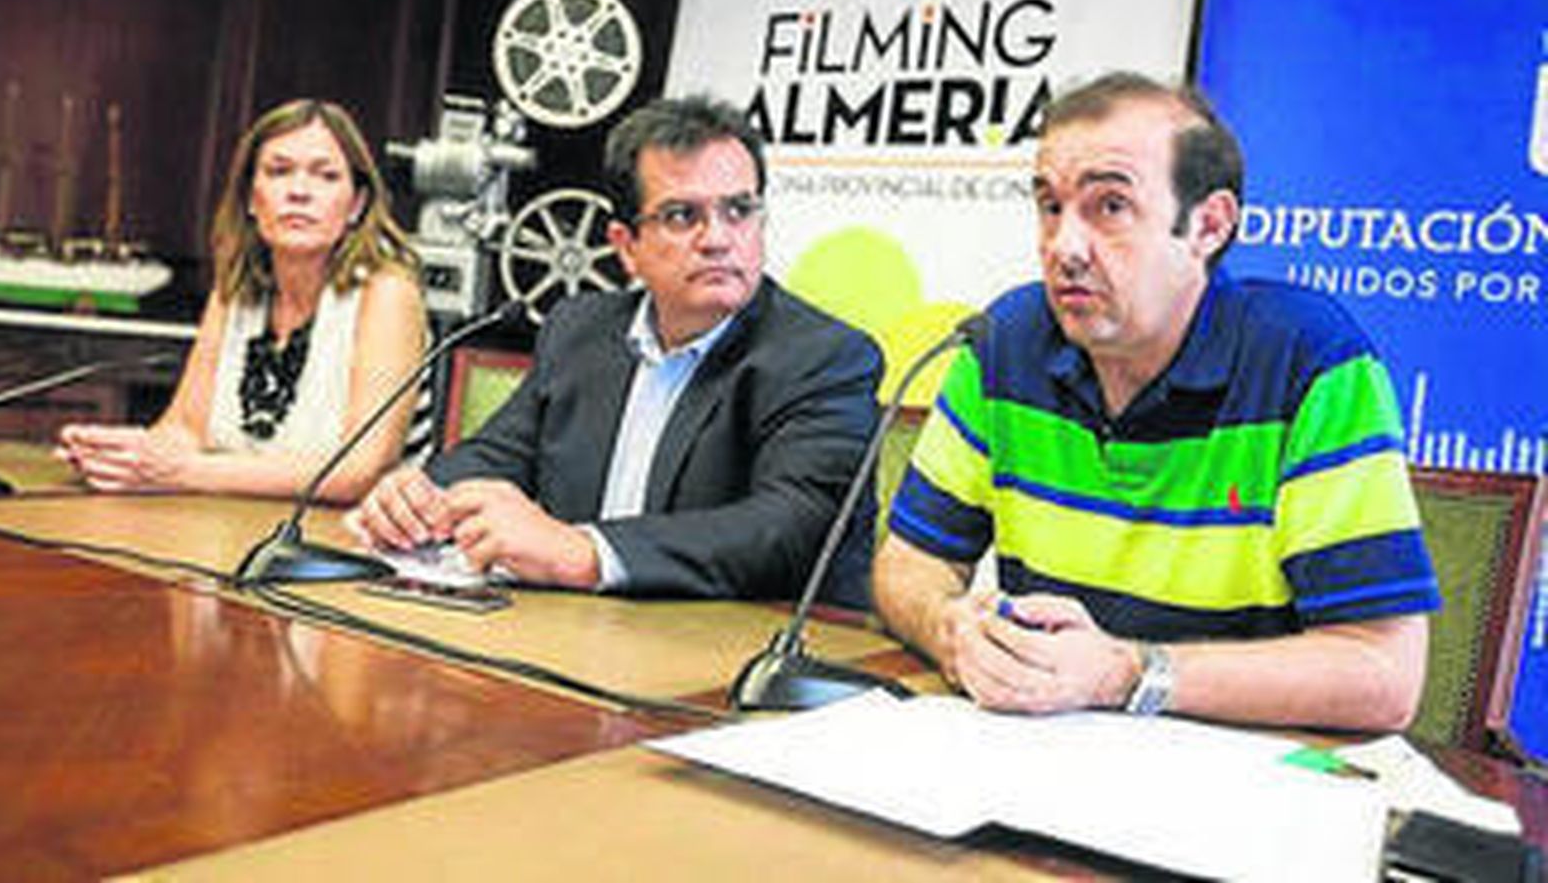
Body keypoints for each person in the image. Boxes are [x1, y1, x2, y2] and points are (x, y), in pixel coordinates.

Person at [873, 72, 1440, 730]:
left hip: (1237, 759)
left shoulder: (1307, 362)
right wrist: (950, 630)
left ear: (1208, 225)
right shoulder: (1003, 343)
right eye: (1051, 206)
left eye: (1110, 206)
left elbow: (1384, 673)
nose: (1064, 247)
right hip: (1037, 746)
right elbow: (909, 563)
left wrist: (1127, 673)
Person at [346, 95, 883, 605]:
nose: (718, 238)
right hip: (576, 633)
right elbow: (497, 456)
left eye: (739, 210)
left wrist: (587, 554)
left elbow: (793, 527)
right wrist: (421, 499)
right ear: (627, 247)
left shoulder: (824, 357)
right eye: (682, 216)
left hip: (737, 648)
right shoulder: (580, 331)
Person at [55, 99, 428, 503]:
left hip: (347, 534)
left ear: (357, 204)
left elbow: (359, 471)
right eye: (279, 171)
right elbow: (185, 430)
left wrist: (185, 472)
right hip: (232, 519)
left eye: (325, 176)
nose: (299, 192)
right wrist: (120, 456)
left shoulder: (388, 294)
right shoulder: (236, 288)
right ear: (251, 197)